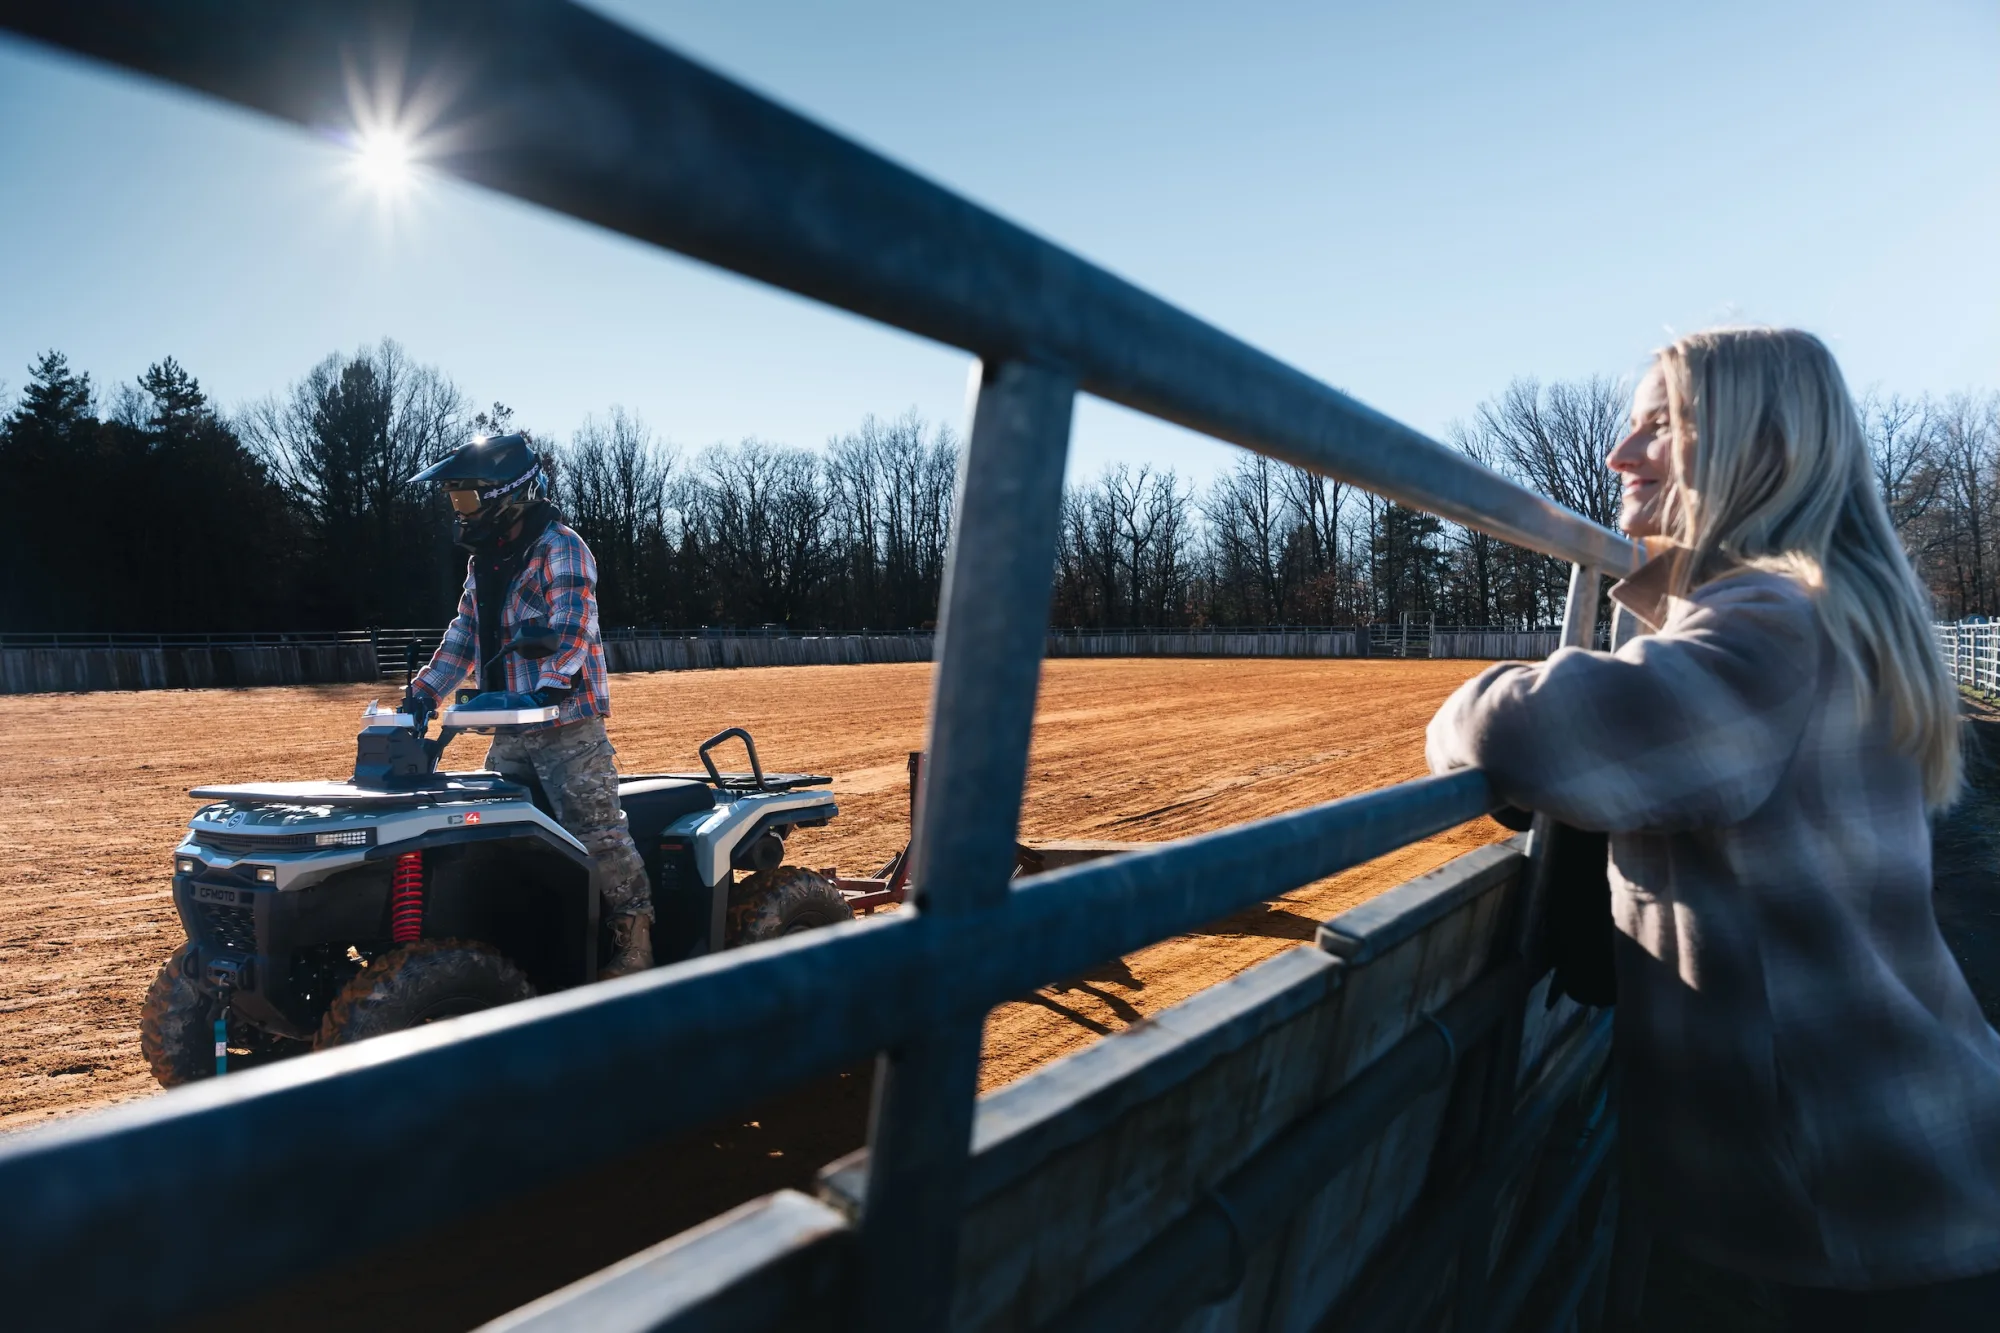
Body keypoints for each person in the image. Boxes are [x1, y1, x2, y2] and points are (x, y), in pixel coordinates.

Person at [1425, 328, 2000, 1329]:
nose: (1618, 455)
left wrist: (1464, 705)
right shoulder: (1832, 611)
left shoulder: (1770, 624)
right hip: (1900, 1164)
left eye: (1658, 426)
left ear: (1755, 447)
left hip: (1858, 1210)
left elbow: (1525, 733)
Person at [399, 431, 654, 979]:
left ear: (506, 496)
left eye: (465, 498)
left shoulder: (561, 548)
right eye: (454, 500)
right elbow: (463, 637)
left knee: (598, 833)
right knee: (493, 835)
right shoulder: (484, 566)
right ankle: (521, 940)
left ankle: (634, 941)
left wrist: (550, 684)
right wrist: (424, 692)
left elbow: (573, 628)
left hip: (566, 724)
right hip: (510, 728)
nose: (459, 510)